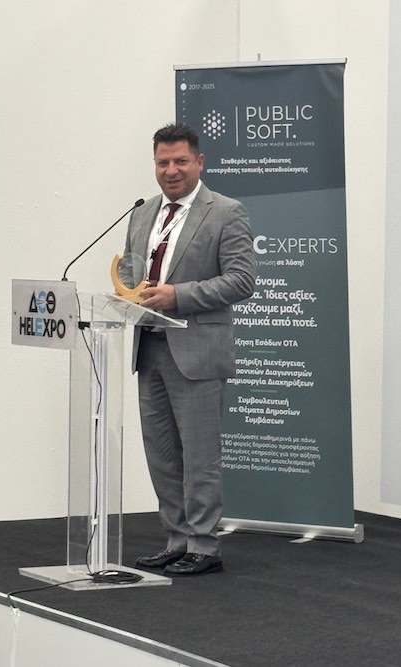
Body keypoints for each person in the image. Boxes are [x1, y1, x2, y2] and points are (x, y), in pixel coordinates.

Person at [121, 123, 256, 575]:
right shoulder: (142, 213)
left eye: (180, 161)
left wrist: (177, 295)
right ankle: (176, 539)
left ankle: (203, 545)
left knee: (200, 457)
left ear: (199, 162)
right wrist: (127, 294)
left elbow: (241, 280)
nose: (171, 170)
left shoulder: (226, 212)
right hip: (150, 348)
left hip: (196, 352)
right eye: (163, 162)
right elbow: (132, 272)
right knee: (162, 455)